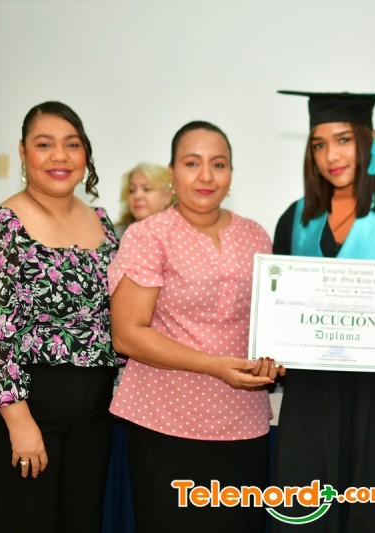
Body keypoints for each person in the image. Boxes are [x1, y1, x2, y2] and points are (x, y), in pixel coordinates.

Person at [273, 91, 375, 532]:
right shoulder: (295, 221)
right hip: (311, 402)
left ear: (372, 142)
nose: (331, 156)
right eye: (319, 144)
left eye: (344, 140)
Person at [108, 120, 284, 532]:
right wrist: (214, 365)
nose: (206, 176)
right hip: (165, 424)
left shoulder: (256, 236)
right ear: (171, 173)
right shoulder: (149, 235)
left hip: (243, 424)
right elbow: (127, 334)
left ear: (231, 175)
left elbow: (270, 323)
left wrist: (274, 358)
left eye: (218, 164)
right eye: (192, 163)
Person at [0, 101, 121, 533]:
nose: (59, 156)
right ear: (23, 151)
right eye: (44, 144)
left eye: (72, 144)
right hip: (25, 410)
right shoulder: (1, 225)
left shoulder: (103, 224)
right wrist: (20, 423)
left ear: (85, 153)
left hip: (93, 416)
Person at [115, 162, 175, 234]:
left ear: (168, 195)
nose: (137, 196)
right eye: (131, 190)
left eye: (146, 189)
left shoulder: (180, 232)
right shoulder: (114, 235)